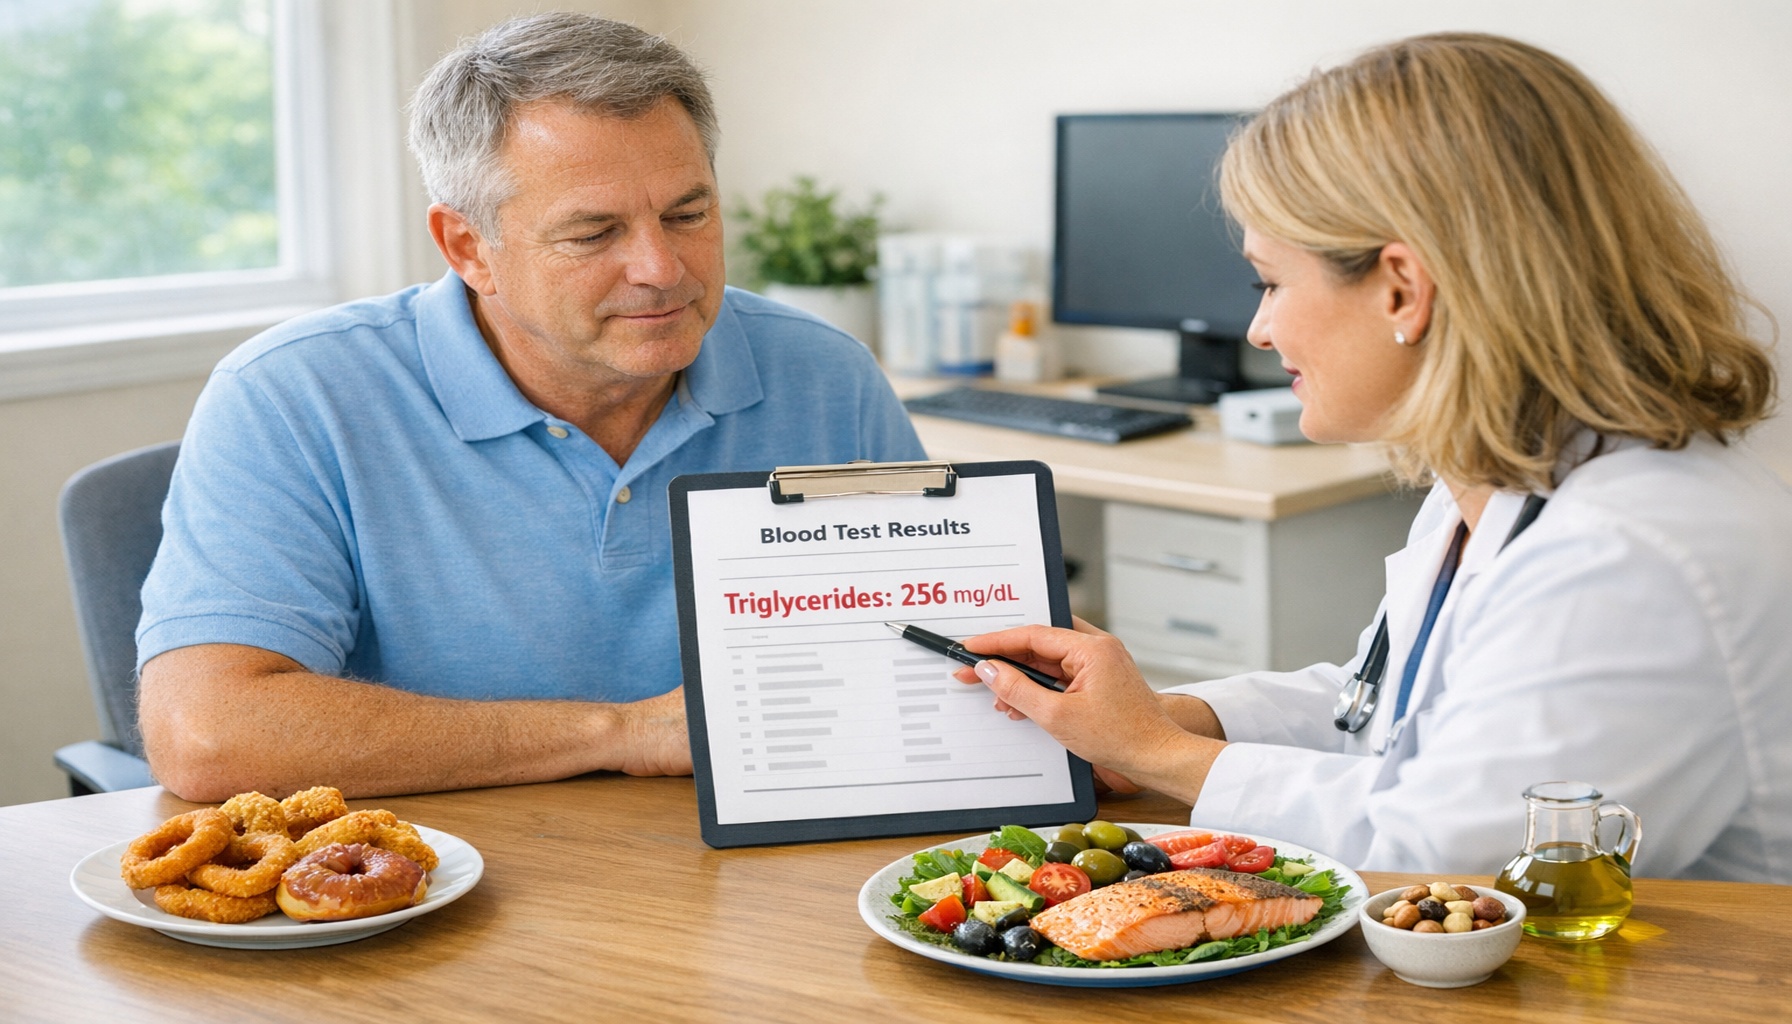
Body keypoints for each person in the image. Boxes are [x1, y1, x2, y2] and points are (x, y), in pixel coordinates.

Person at [956, 33, 1792, 882]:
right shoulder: (1503, 476)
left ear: (1402, 287)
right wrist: (1182, 718)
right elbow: (1384, 711)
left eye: (1269, 283)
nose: (1260, 329)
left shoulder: (1630, 548)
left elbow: (1465, 858)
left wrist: (1162, 754)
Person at [136, 13, 925, 802]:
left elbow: (942, 656)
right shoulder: (292, 395)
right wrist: (621, 732)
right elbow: (208, 734)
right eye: (592, 233)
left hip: (757, 870)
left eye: (688, 214)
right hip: (441, 889)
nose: (661, 267)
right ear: (469, 248)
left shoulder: (827, 376)